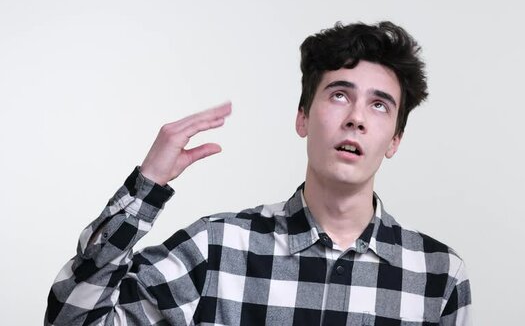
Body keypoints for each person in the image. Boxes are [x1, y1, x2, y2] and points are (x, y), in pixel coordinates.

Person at [45, 21, 472, 325]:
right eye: (340, 95)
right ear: (302, 118)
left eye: (380, 105)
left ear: (395, 139)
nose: (357, 118)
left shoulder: (437, 275)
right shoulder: (216, 249)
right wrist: (147, 187)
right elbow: (72, 320)